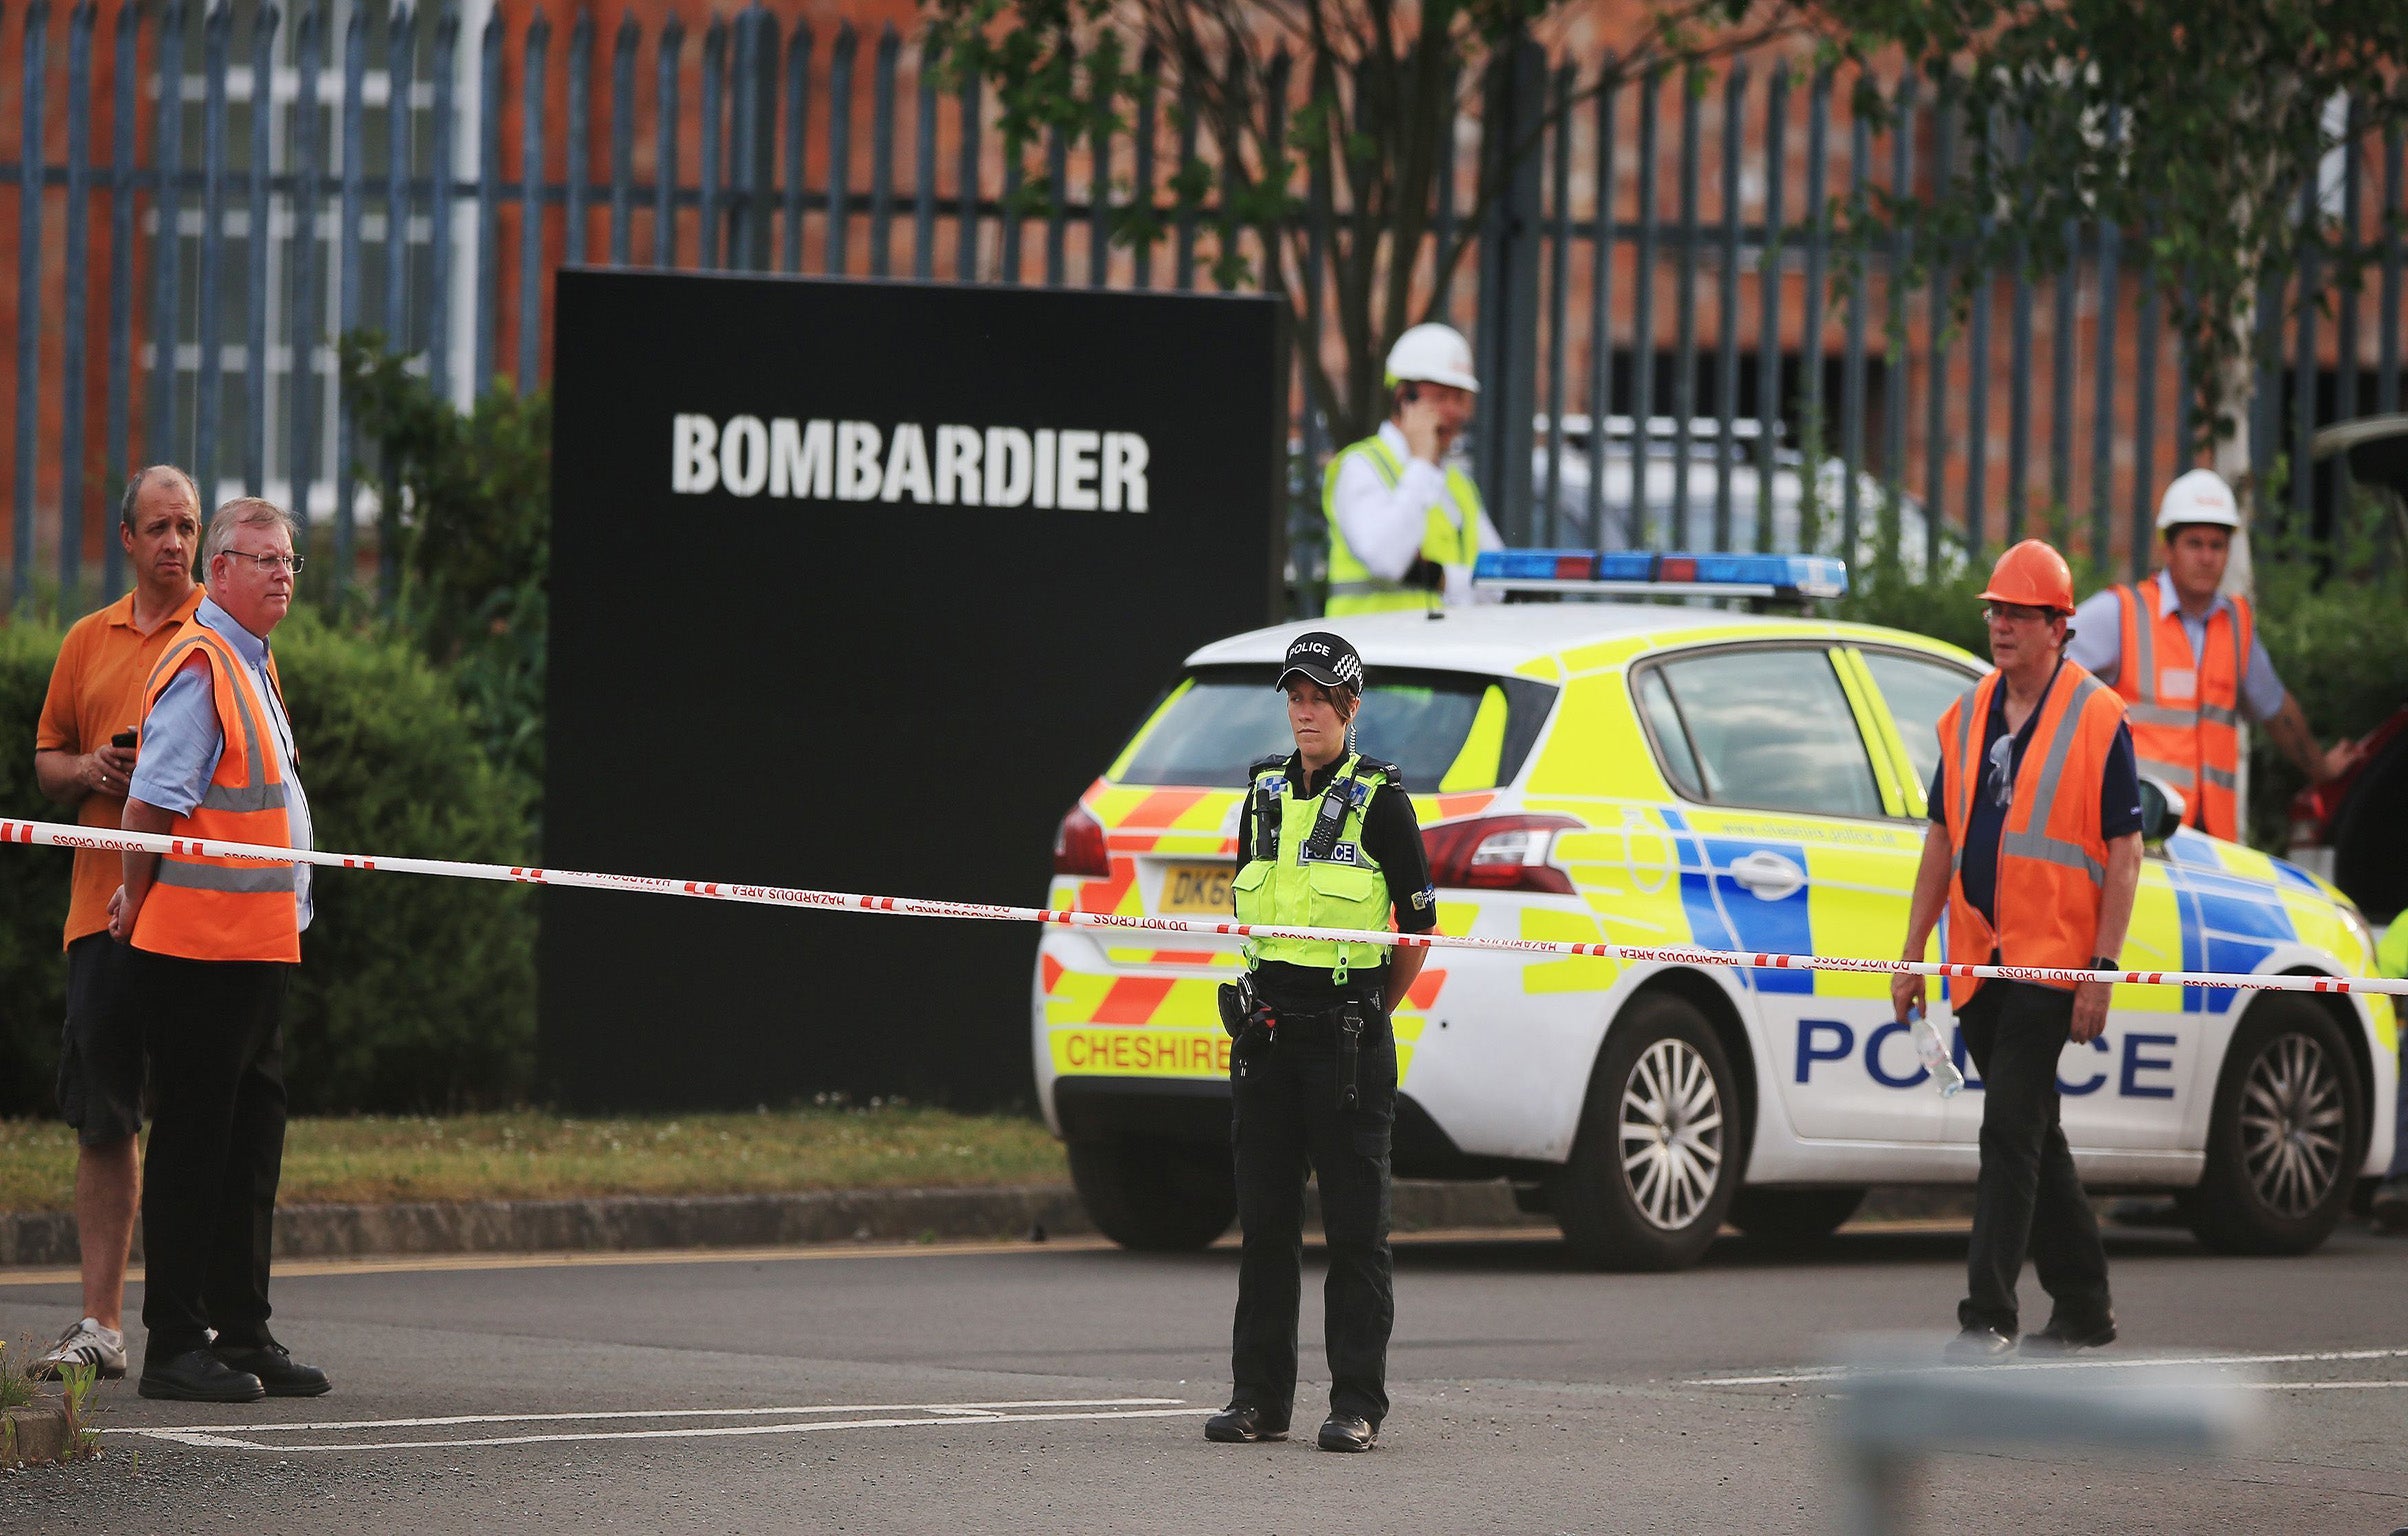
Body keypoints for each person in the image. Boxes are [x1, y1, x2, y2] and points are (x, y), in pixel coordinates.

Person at [1893, 540, 2145, 1360]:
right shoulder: (1967, 717)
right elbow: (1941, 840)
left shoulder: (2099, 718)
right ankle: (2084, 1305)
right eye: (1995, 611)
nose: (2002, 626)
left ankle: (1988, 1317)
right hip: (1977, 958)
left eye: (2018, 614)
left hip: (2050, 960)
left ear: (2058, 627)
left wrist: (2099, 973)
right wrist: (1911, 953)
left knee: (2007, 1130)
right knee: (2037, 1132)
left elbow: (2125, 852)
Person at [112, 496, 328, 1404]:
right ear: (223, 572)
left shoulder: (252, 661)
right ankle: (173, 1342)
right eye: (264, 558)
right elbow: (150, 807)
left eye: (292, 560)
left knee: (250, 1144)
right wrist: (135, 897)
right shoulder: (203, 664)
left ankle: (242, 1329)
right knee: (197, 1142)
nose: (283, 573)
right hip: (199, 955)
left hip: (258, 946)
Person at [1205, 631, 1437, 1452]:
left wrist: (1372, 1009)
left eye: (1319, 699)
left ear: (1350, 707)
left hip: (1346, 1037)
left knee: (1353, 1231)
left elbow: (1418, 927)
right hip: (1267, 1032)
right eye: (1294, 698)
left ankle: (1355, 1404)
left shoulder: (1383, 800)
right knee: (1265, 1225)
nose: (1304, 712)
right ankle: (1258, 1400)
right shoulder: (1263, 793)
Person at [24, 467, 208, 1382]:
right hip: (101, 915)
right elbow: (46, 762)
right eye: (159, 528)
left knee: (198, 1115)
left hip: (196, 915)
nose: (175, 544)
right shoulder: (84, 641)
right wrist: (91, 768)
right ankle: (100, 1321)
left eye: (188, 527)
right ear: (126, 540)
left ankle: (196, 1322)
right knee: (105, 1118)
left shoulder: (226, 638)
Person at [2067, 469, 2361, 842]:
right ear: (2168, 547)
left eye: (2217, 545)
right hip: (2139, 834)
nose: (2206, 557)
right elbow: (2045, 669)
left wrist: (2320, 768)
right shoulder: (2122, 613)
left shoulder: (2236, 627)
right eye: (2194, 544)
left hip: (2212, 843)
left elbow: (2276, 709)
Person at [1322, 323, 1504, 616]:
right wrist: (1420, 462)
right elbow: (1387, 559)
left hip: (1441, 654)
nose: (1456, 412)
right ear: (1403, 399)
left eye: (1460, 398)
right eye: (1441, 398)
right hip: (1371, 653)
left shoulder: (1457, 484)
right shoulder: (1360, 467)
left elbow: (1497, 583)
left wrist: (1439, 575)